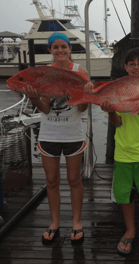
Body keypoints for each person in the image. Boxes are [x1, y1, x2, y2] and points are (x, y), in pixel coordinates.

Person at [22, 32, 94, 244]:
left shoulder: (80, 72)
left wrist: (86, 95)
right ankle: (54, 222)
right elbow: (45, 108)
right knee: (52, 180)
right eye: (56, 47)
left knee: (74, 179)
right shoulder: (45, 72)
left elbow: (81, 108)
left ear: (70, 49)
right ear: (50, 51)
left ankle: (76, 222)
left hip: (73, 133)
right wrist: (34, 98)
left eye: (64, 46)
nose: (60, 50)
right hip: (49, 134)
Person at [93, 47, 139, 254]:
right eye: (131, 64)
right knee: (123, 195)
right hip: (123, 153)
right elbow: (117, 123)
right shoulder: (119, 88)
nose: (136, 67)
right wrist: (111, 110)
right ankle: (130, 230)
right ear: (125, 67)